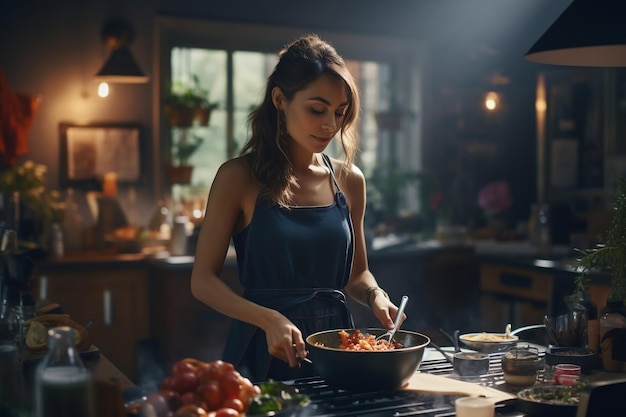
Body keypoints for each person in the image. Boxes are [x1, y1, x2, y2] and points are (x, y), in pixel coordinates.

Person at [190, 33, 404, 382]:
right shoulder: (238, 177)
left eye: (339, 113)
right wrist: (268, 318)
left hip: (337, 349)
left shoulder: (350, 181)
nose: (329, 125)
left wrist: (376, 295)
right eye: (317, 109)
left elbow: (356, 275)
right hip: (263, 346)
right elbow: (202, 282)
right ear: (280, 100)